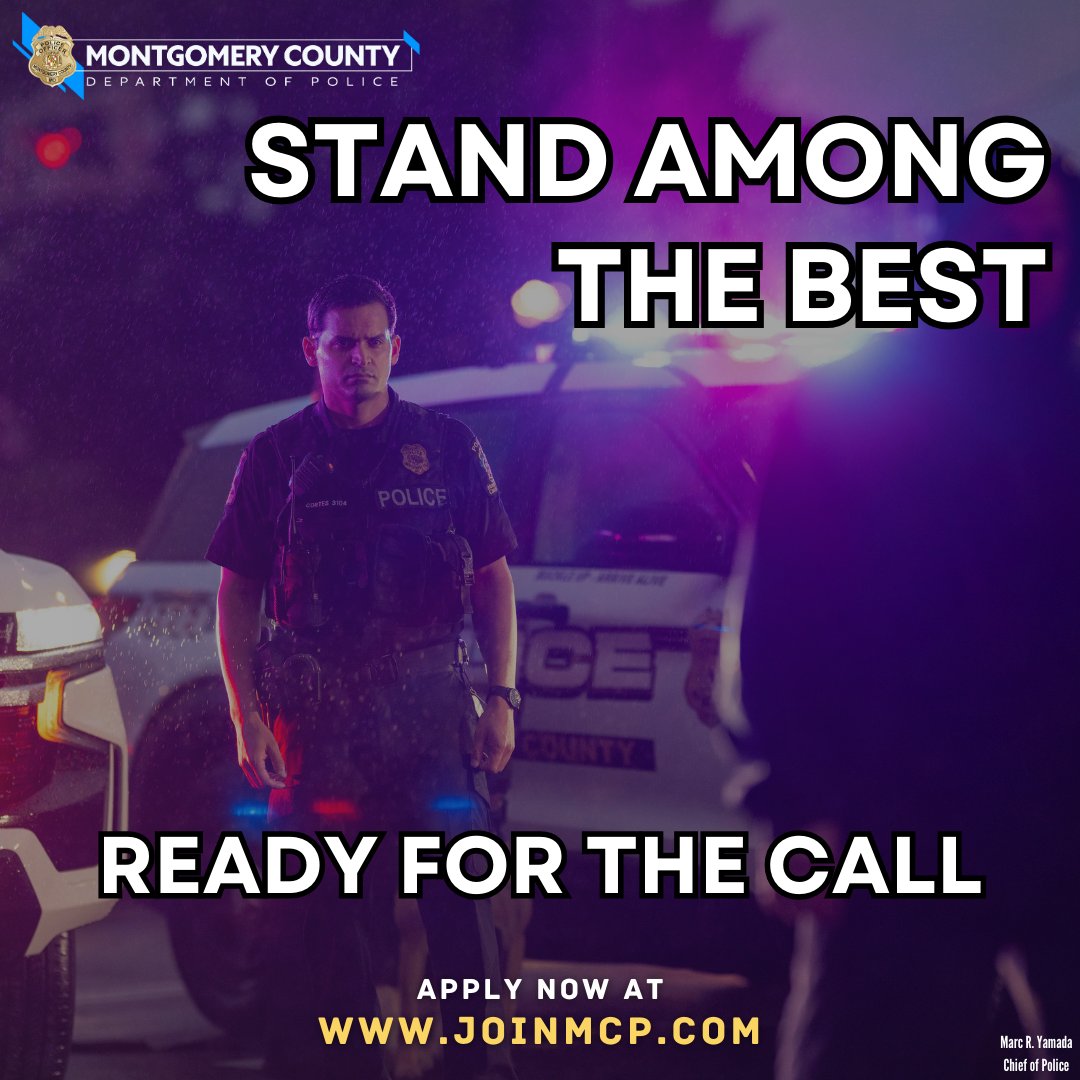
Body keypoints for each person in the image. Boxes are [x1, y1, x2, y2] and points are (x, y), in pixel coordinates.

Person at [737, 174, 1080, 1078]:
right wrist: (796, 805)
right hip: (897, 815)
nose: (1034, 263)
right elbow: (783, 621)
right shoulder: (855, 406)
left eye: (1053, 239)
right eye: (1005, 239)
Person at [206, 274, 521, 1080]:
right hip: (318, 717)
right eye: (342, 343)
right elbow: (238, 589)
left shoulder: (447, 445)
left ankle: (476, 1071)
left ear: (396, 347)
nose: (360, 358)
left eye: (375, 341)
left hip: (431, 707)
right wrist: (246, 716)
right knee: (323, 920)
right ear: (312, 351)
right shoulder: (276, 454)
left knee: (461, 907)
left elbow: (493, 579)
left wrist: (502, 696)